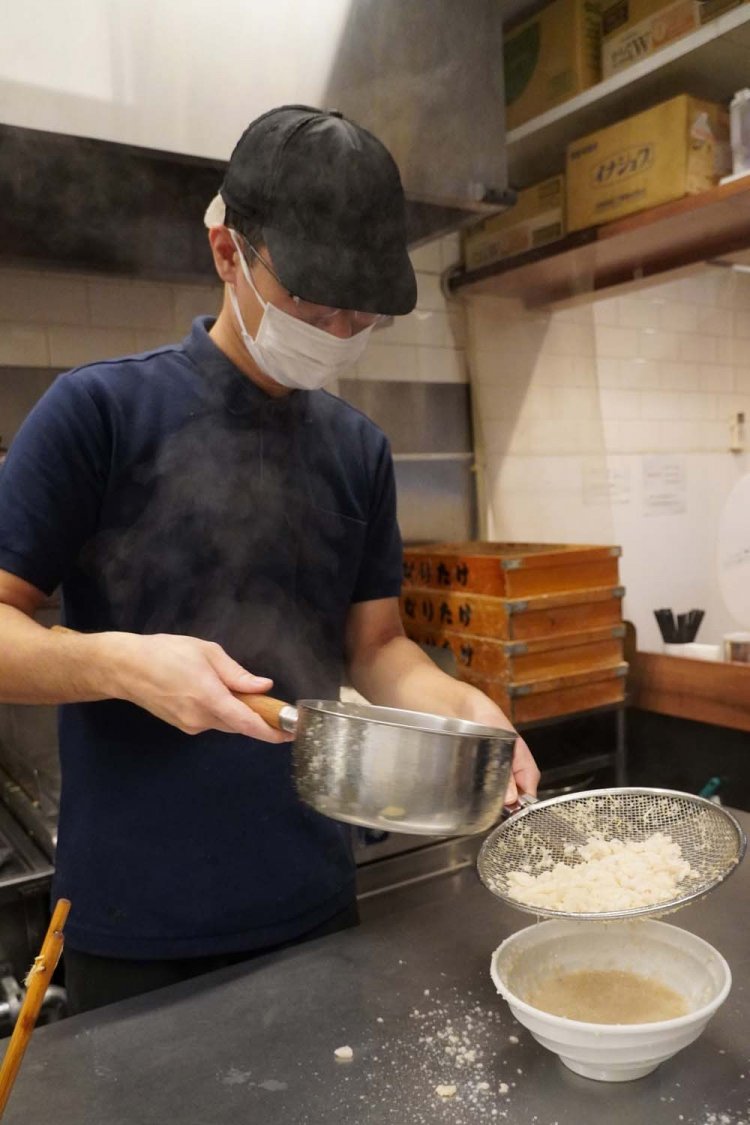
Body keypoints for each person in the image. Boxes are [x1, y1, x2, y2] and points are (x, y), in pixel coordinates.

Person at [0, 105, 539, 1014]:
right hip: (135, 922)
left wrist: (468, 714)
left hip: (314, 903)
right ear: (227, 253)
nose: (338, 329)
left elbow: (375, 646)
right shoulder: (97, 414)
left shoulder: (359, 448)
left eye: (359, 310)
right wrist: (125, 664)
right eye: (313, 305)